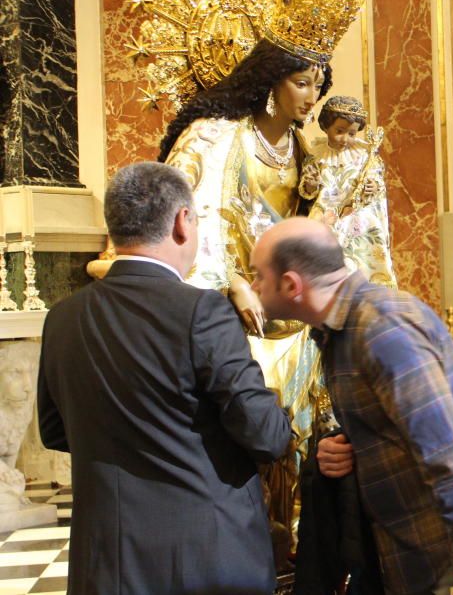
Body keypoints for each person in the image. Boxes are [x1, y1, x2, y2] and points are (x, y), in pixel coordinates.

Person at [158, 0, 361, 540]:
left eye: (318, 84)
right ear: (271, 79)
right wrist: (232, 282)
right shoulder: (215, 136)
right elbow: (188, 217)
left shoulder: (307, 153)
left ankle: (297, 548)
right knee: (240, 439)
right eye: (302, 81)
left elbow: (309, 231)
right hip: (230, 316)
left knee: (301, 444)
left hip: (293, 320)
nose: (312, 96)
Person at [37, 162, 292, 594]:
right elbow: (266, 436)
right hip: (205, 559)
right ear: (182, 222)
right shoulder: (203, 312)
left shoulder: (62, 317)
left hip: (107, 561)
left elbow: (54, 431)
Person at [249, 217, 453, 595]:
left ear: (290, 284)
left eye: (257, 276)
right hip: (416, 551)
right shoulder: (341, 329)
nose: (252, 286)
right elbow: (394, 426)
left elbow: (448, 455)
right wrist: (344, 446)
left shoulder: (381, 328)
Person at [300, 94, 396, 286]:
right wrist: (310, 185)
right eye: (339, 131)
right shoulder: (316, 155)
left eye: (351, 133)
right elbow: (307, 191)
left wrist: (374, 186)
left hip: (357, 218)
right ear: (326, 127)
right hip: (326, 217)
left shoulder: (364, 154)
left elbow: (377, 180)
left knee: (361, 263)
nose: (345, 138)